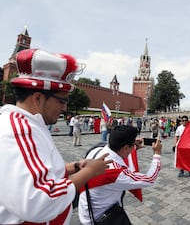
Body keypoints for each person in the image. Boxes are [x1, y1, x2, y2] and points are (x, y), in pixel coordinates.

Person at [0, 49, 111, 224]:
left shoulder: (31, 124)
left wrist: (74, 167)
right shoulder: (18, 131)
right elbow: (40, 202)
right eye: (62, 101)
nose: (64, 108)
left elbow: (37, 171)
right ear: (37, 98)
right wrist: (89, 172)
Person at [78, 125, 162, 224]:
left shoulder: (96, 150)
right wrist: (157, 154)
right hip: (102, 218)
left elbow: (119, 154)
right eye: (131, 146)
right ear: (125, 147)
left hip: (88, 209)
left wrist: (132, 145)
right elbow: (149, 179)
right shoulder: (116, 173)